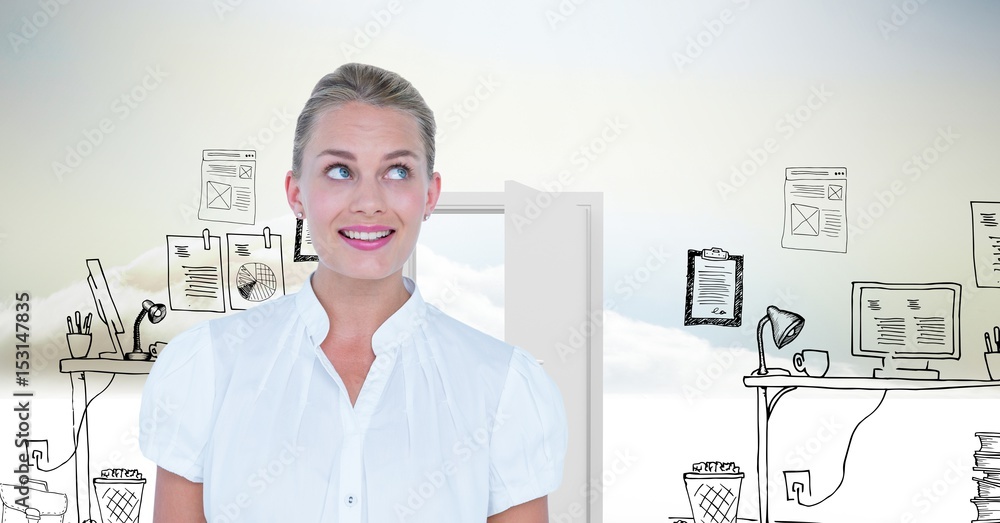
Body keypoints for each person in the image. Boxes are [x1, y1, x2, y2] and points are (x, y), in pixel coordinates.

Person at [139, 63, 568, 522]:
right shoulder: (207, 367)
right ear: (296, 192)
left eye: (398, 171)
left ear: (430, 195)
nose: (369, 201)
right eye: (340, 170)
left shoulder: (503, 387)